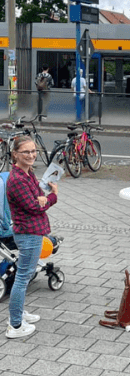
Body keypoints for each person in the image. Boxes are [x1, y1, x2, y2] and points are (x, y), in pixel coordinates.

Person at [5, 136, 54, 338]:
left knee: (23, 275)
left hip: (31, 231)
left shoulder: (27, 173)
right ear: (15, 154)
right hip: (28, 233)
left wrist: (44, 198)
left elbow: (38, 196)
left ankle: (18, 313)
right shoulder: (17, 179)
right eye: (26, 152)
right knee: (23, 277)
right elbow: (35, 205)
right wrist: (52, 196)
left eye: (34, 151)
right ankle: (15, 325)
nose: (32, 155)